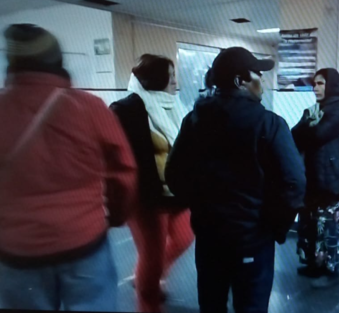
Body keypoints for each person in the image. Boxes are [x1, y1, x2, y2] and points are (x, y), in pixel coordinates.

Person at [0, 24, 137, 311]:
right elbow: (124, 172)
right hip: (83, 240)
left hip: (17, 250)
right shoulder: (89, 107)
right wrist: (114, 217)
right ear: (57, 61)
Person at [165, 47, 306, 313]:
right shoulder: (269, 124)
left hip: (209, 239)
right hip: (252, 239)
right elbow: (294, 183)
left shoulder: (194, 121)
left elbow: (174, 174)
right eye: (258, 75)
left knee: (211, 304)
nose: (262, 81)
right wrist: (274, 227)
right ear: (240, 81)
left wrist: (201, 210)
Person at [110, 54, 194, 313]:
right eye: (170, 75)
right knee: (152, 256)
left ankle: (153, 275)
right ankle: (148, 302)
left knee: (184, 237)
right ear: (155, 77)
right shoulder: (126, 109)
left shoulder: (176, 105)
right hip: (146, 198)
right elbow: (116, 156)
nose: (174, 81)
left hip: (176, 194)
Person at [292, 68, 339, 288]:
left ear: (331, 85)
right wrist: (309, 126)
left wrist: (308, 126)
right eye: (314, 84)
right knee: (310, 221)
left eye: (320, 83)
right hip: (313, 175)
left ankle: (328, 264)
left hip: (332, 177)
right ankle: (312, 261)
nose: (316, 88)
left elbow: (320, 134)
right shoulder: (316, 110)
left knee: (328, 222)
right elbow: (294, 136)